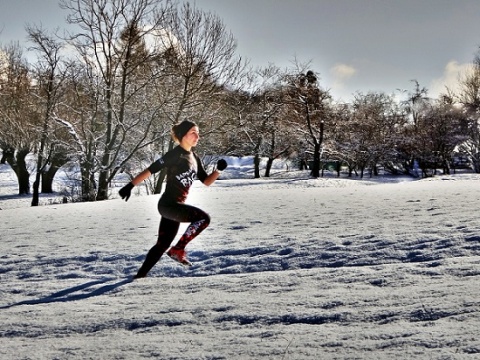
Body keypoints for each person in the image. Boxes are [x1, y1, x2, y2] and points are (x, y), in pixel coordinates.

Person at [119, 120, 227, 279]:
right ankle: (178, 249)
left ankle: (140, 276)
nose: (198, 136)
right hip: (168, 205)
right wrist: (130, 186)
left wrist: (218, 170)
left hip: (176, 208)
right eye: (193, 133)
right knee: (204, 219)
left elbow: (206, 181)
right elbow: (151, 169)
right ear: (184, 135)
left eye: (198, 133)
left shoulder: (194, 158)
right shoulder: (174, 155)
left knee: (162, 245)